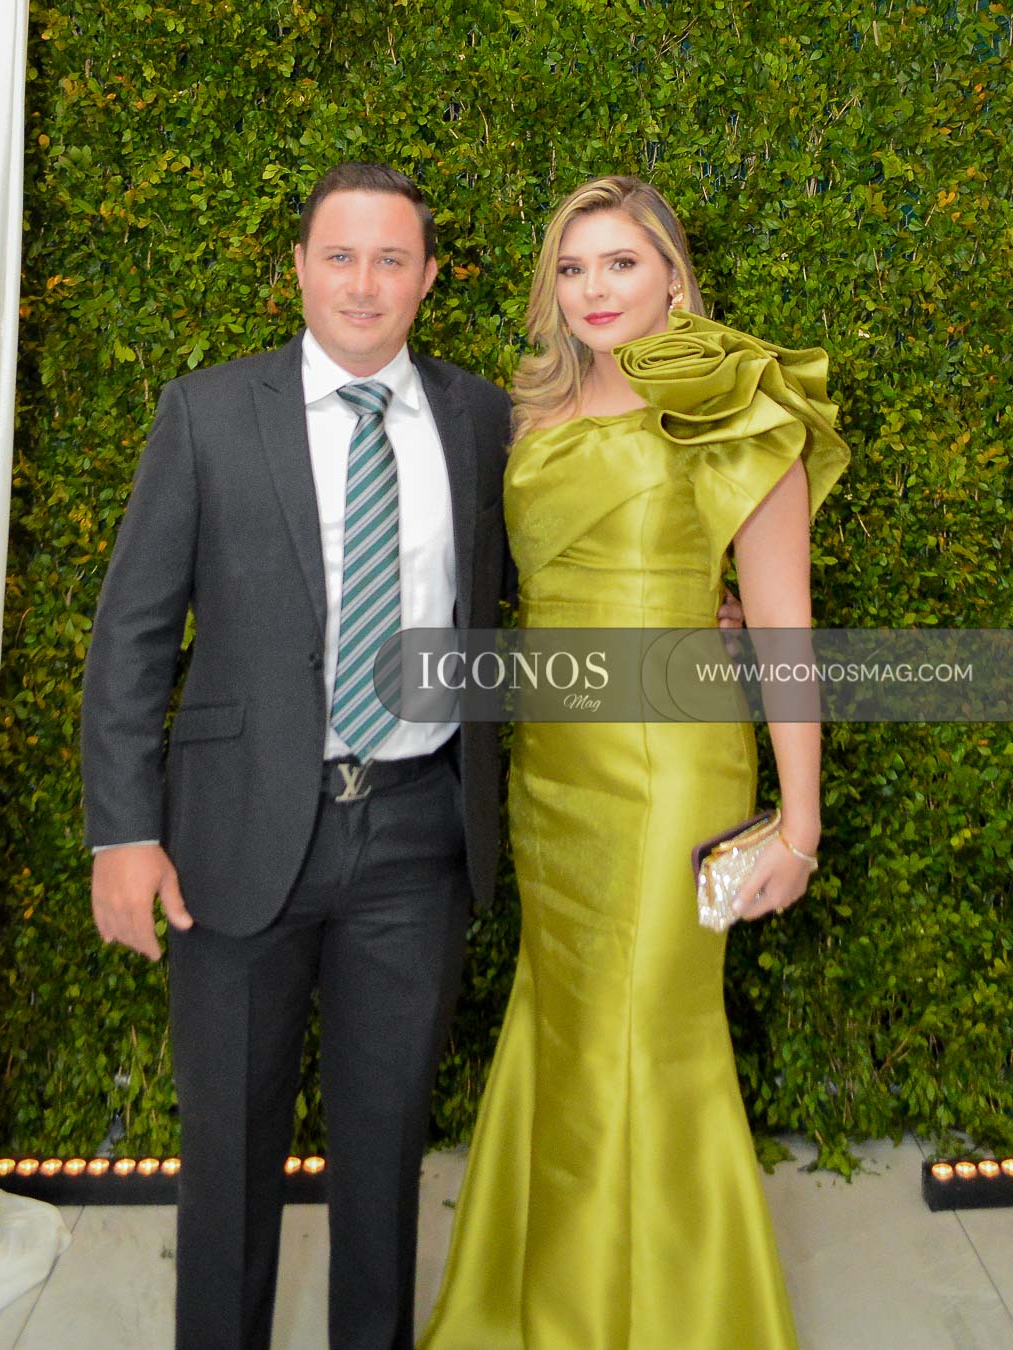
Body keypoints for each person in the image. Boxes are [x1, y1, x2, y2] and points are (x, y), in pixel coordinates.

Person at [81, 162, 514, 1350]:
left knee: (385, 1154)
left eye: (391, 259)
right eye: (340, 256)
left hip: (419, 836)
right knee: (226, 1161)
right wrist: (124, 832)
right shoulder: (208, 413)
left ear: (429, 277)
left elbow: (530, 599)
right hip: (234, 835)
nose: (364, 284)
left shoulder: (483, 420)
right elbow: (131, 636)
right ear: (299, 270)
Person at [419, 177, 850, 1349]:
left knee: (648, 1037)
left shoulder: (732, 408)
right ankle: (531, 1309)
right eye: (572, 268)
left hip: (670, 774)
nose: (594, 290)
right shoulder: (529, 412)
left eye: (621, 263)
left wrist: (799, 825)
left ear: (672, 274)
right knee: (564, 1023)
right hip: (549, 777)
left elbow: (783, 629)